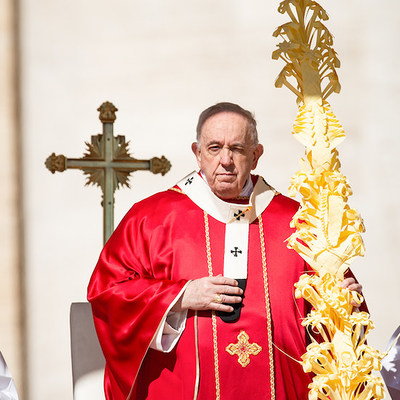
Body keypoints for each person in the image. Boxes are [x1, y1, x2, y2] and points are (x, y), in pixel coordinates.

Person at [87, 102, 362, 400]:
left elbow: (339, 324)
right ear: (197, 153)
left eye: (238, 149)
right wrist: (180, 296)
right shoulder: (152, 219)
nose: (226, 160)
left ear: (256, 156)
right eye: (214, 148)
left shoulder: (301, 223)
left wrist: (343, 308)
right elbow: (108, 292)